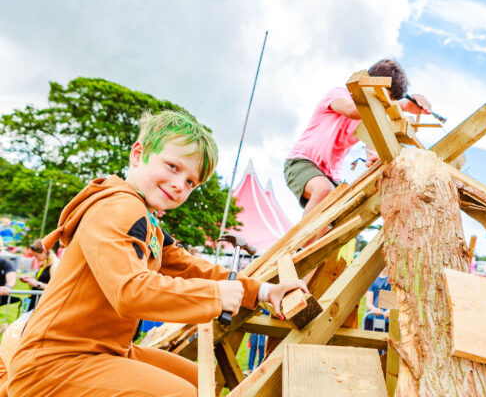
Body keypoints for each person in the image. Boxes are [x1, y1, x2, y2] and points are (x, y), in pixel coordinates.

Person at [7, 110, 308, 397]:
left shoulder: (147, 221)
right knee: (186, 394)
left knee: (203, 382)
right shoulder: (118, 207)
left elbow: (190, 267)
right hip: (54, 362)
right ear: (138, 154)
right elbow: (130, 291)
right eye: (172, 167)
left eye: (191, 182)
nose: (179, 185)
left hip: (105, 349)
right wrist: (215, 296)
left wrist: (266, 290)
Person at [284, 58, 432, 216]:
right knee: (323, 191)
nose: (384, 103)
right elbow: (351, 110)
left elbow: (373, 146)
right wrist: (400, 105)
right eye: (382, 97)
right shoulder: (339, 94)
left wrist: (375, 159)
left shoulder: (369, 119)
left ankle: (316, 239)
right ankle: (306, 241)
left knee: (340, 219)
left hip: (330, 176)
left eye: (389, 100)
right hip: (302, 161)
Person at [19, 239, 60, 311]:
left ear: (44, 251)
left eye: (36, 255)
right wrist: (30, 280)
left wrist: (37, 284)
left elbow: (55, 288)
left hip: (43, 304)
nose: (36, 258)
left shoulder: (55, 265)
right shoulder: (45, 263)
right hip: (35, 301)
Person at [364, 267, 391, 333]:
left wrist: (391, 311)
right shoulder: (373, 280)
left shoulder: (392, 280)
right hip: (371, 318)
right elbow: (369, 303)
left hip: (387, 320)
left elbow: (396, 300)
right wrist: (374, 309)